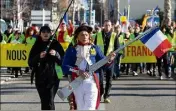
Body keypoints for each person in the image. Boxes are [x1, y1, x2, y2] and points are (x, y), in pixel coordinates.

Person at [62, 25, 116, 110]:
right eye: (82, 35)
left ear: (89, 36)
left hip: (92, 82)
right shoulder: (71, 50)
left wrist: (109, 59)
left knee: (90, 108)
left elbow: (104, 65)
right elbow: (64, 67)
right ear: (77, 37)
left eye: (86, 35)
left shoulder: (95, 48)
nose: (84, 37)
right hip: (76, 82)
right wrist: (77, 71)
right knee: (80, 108)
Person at [28, 25, 64, 110]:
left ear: (51, 33)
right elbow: (30, 62)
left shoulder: (56, 44)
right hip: (40, 77)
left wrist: (56, 54)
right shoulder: (37, 44)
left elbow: (63, 61)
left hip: (53, 76)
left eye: (48, 32)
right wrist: (39, 56)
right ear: (40, 34)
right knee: (44, 101)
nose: (46, 34)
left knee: (50, 101)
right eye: (43, 32)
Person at [94, 20, 120, 103]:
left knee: (109, 80)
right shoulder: (97, 35)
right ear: (103, 26)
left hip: (110, 61)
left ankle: (106, 96)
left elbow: (117, 48)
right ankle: (100, 93)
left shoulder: (114, 35)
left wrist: (113, 57)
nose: (107, 27)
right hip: (100, 61)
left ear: (111, 26)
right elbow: (94, 47)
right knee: (100, 80)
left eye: (109, 25)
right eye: (106, 25)